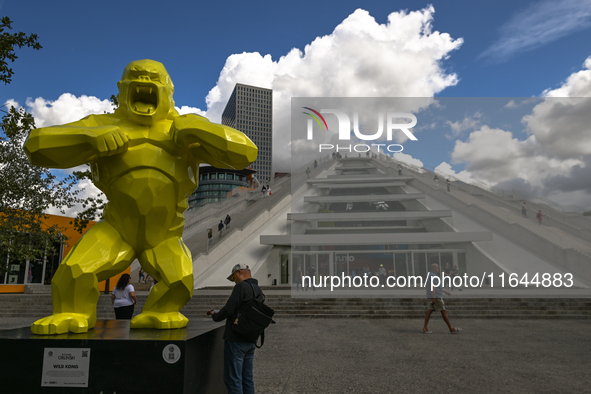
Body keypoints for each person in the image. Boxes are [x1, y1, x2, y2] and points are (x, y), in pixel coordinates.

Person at [207, 264, 263, 394]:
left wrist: (215, 315)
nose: (234, 282)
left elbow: (229, 309)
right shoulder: (258, 289)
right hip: (251, 339)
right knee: (247, 378)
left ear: (239, 272)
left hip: (236, 339)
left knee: (233, 379)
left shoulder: (241, 286)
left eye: (233, 278)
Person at [422, 264, 461, 334]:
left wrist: (446, 292)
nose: (438, 269)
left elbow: (437, 287)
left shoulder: (430, 275)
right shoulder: (433, 276)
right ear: (435, 268)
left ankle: (425, 327)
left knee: (429, 311)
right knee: (443, 311)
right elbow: (433, 287)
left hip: (432, 297)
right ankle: (451, 328)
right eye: (437, 268)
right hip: (436, 297)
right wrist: (434, 298)